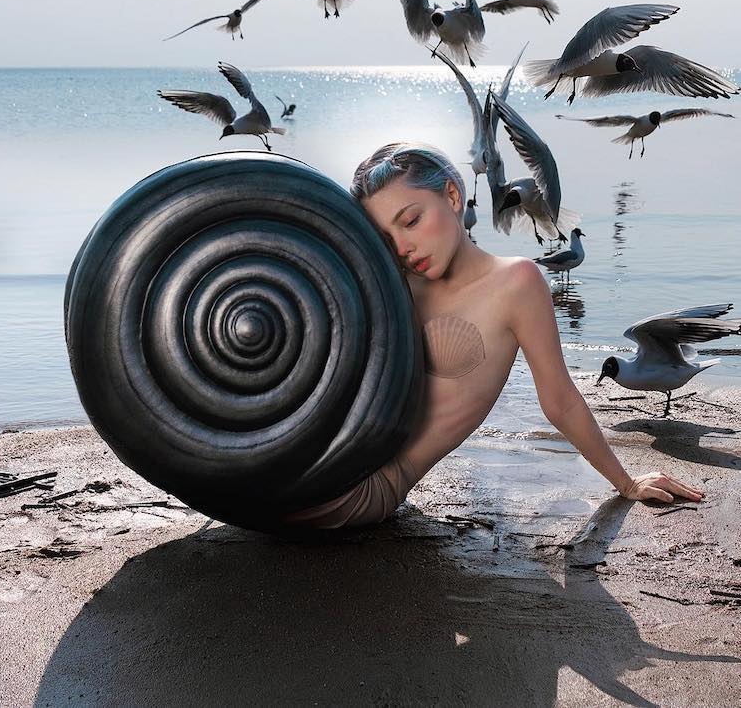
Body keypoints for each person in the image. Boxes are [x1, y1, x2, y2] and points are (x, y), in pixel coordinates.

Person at [281, 141, 704, 529]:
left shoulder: (516, 282)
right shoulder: (393, 281)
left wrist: (626, 482)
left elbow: (559, 401)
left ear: (451, 197)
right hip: (313, 458)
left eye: (411, 220)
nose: (402, 246)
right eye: (385, 238)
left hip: (361, 491)